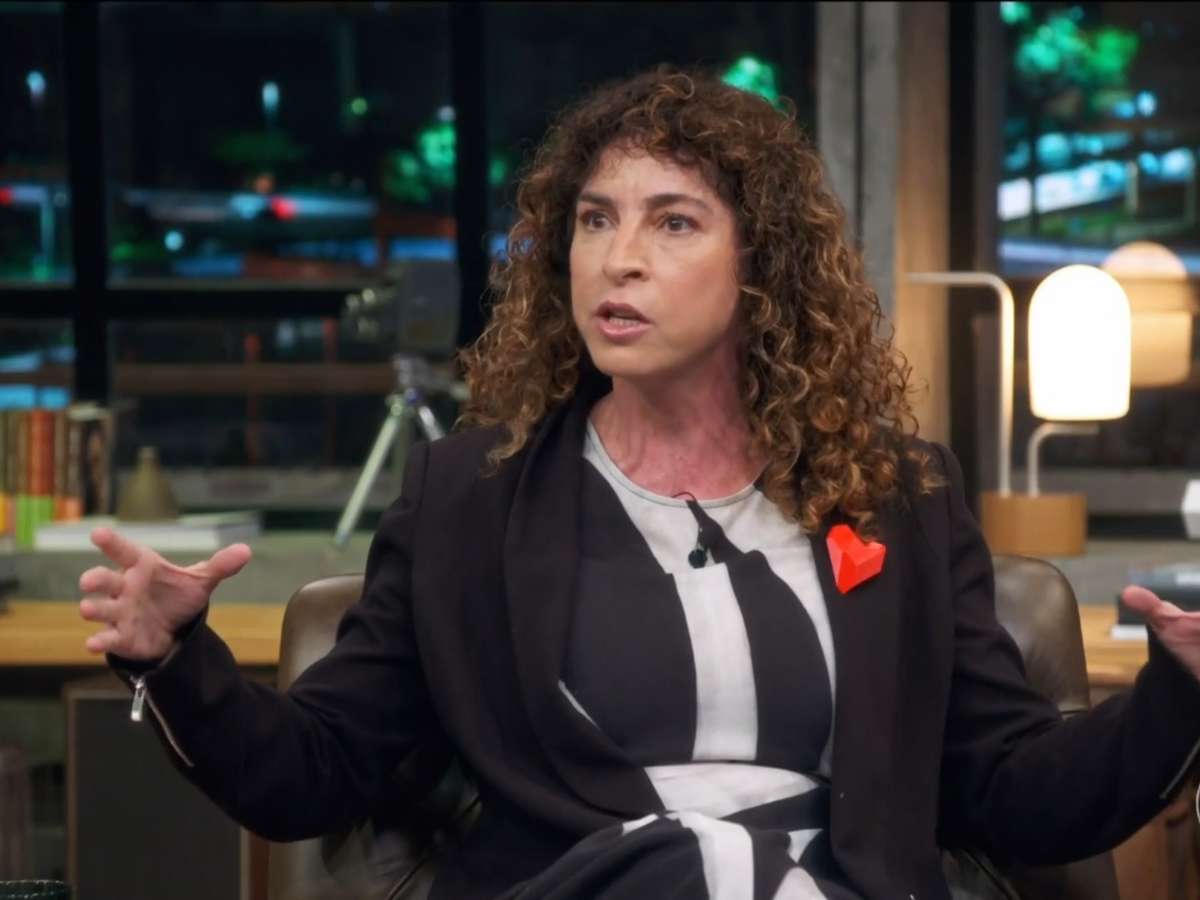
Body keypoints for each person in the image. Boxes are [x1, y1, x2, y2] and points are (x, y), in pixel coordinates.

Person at [77, 67, 1200, 900]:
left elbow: (1016, 792)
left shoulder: (897, 494)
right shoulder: (470, 498)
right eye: (595, 221)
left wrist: (1180, 695)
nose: (619, 259)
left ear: (760, 267)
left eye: (673, 223)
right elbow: (318, 773)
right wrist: (177, 661)